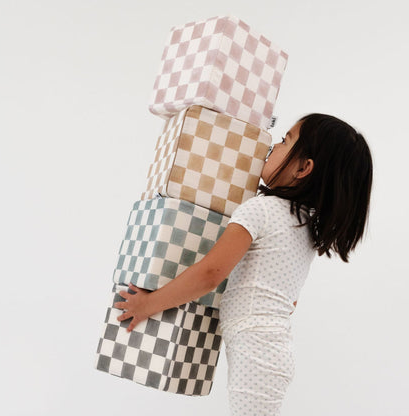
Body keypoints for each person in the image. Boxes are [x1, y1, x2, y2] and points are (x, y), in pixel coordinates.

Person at [114, 113, 373, 415]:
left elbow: (210, 274)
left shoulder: (261, 210)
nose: (272, 146)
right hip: (269, 349)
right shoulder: (304, 225)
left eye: (284, 141)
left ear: (303, 168)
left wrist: (149, 304)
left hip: (257, 349)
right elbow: (289, 299)